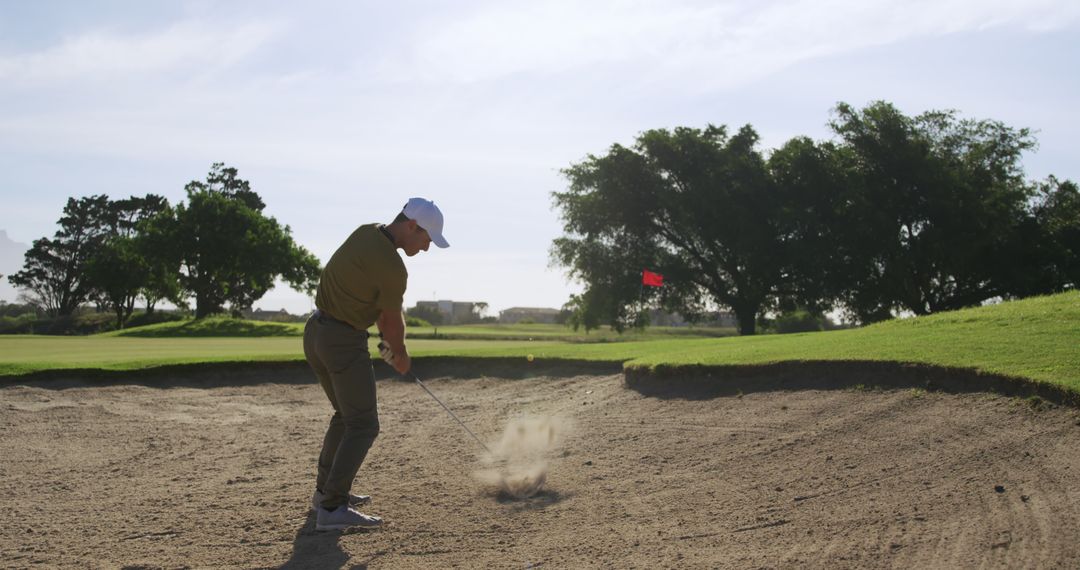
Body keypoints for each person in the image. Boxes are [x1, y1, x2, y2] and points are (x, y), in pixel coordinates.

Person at [303, 197, 449, 531]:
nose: (426, 248)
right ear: (412, 226)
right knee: (364, 424)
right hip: (342, 341)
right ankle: (332, 507)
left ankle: (325, 494)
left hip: (316, 333)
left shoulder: (366, 232)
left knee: (346, 416)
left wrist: (388, 343)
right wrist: (399, 354)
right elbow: (390, 320)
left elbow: (374, 307)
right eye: (427, 239)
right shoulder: (393, 267)